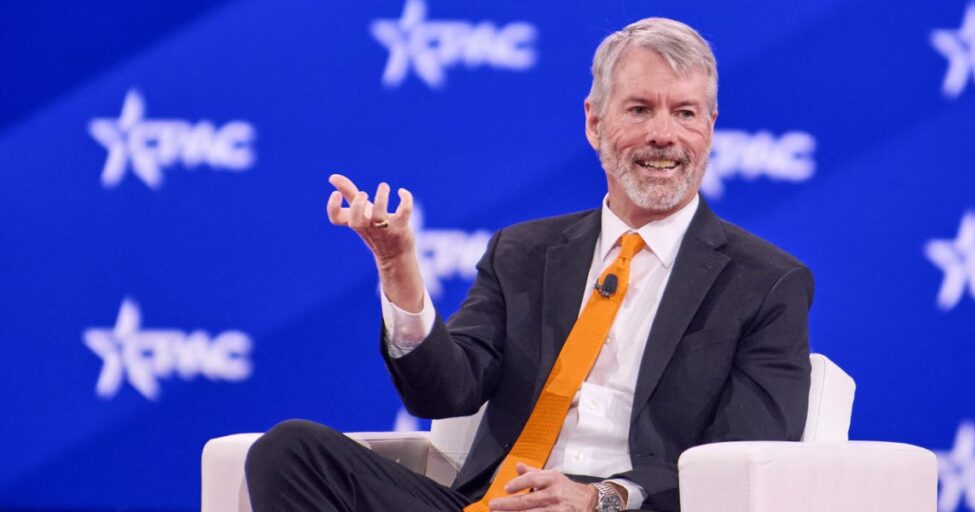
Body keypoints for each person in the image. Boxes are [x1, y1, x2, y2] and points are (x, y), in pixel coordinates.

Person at [245, 17, 812, 512]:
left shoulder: (765, 282)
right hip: (493, 502)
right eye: (639, 109)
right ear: (595, 123)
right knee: (291, 452)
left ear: (709, 127)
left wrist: (599, 497)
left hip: (620, 508)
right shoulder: (523, 252)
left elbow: (744, 455)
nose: (663, 134)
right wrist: (397, 267)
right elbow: (444, 394)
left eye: (684, 112)